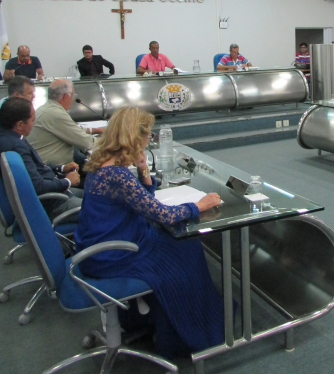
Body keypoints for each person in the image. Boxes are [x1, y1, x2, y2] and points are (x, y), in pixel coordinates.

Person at [74, 106, 224, 358]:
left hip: (105, 247)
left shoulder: (101, 163)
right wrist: (199, 205)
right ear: (136, 137)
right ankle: (184, 333)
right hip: (112, 256)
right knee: (186, 250)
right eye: (149, 135)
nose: (149, 140)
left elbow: (142, 200)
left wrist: (143, 167)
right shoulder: (117, 176)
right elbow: (163, 214)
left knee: (177, 242)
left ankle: (154, 318)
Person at [0, 97, 82, 220]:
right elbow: (38, 186)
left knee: (95, 195)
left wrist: (61, 168)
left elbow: (34, 168)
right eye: (32, 120)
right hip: (52, 203)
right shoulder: (15, 147)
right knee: (103, 208)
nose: (34, 124)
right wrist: (67, 181)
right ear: (20, 124)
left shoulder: (6, 136)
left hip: (55, 192)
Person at [27, 79, 104, 168]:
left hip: (43, 165)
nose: (73, 99)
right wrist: (112, 138)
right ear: (66, 96)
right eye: (73, 95)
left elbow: (70, 128)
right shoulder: (57, 115)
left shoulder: (45, 108)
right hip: (52, 169)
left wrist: (97, 130)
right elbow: (88, 143)